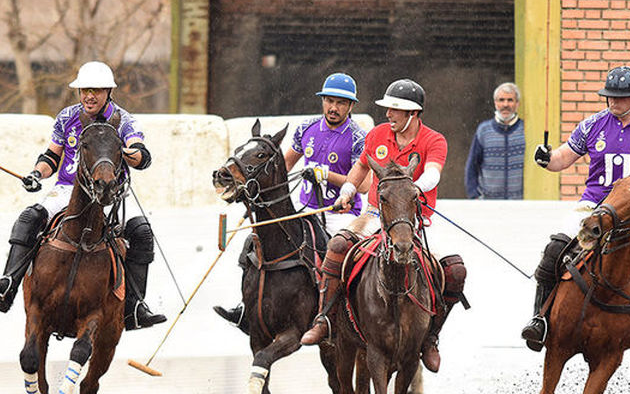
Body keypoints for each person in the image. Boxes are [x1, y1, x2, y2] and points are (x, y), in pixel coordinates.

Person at [0, 61, 166, 330]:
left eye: (97, 90)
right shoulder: (67, 117)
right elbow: (52, 156)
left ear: (108, 92)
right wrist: (36, 174)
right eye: (84, 90)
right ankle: (8, 285)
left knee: (142, 232)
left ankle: (134, 307)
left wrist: (126, 154)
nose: (89, 96)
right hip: (69, 189)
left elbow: (142, 156)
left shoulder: (123, 120)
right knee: (30, 217)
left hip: (111, 192)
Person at [298, 78, 468, 373]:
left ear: (412, 114)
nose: (388, 114)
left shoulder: (434, 140)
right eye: (388, 109)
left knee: (454, 271)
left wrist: (410, 191)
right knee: (338, 246)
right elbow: (361, 167)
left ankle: (430, 337)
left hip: (417, 218)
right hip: (376, 214)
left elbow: (433, 174)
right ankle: (325, 318)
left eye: (394, 110)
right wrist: (348, 190)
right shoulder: (377, 134)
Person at [520, 65, 630, 368]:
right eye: (610, 97)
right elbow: (562, 158)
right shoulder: (592, 124)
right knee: (555, 248)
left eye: (620, 98)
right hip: (593, 205)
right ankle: (539, 319)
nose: (613, 103)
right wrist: (545, 158)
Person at [213, 72, 367, 328]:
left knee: (339, 253)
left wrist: (327, 175)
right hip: (304, 210)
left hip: (339, 213)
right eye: (329, 100)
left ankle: (344, 314)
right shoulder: (306, 129)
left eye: (341, 103)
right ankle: (245, 306)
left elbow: (364, 185)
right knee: (254, 244)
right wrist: (254, 187)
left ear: (351, 106)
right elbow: (281, 167)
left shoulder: (358, 138)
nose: (333, 108)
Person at [465, 82, 525, 199]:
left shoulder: (526, 130)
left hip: (520, 203)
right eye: (501, 100)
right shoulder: (483, 130)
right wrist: (474, 196)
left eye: (510, 100)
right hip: (489, 204)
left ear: (517, 103)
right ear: (495, 103)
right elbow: (472, 166)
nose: (505, 104)